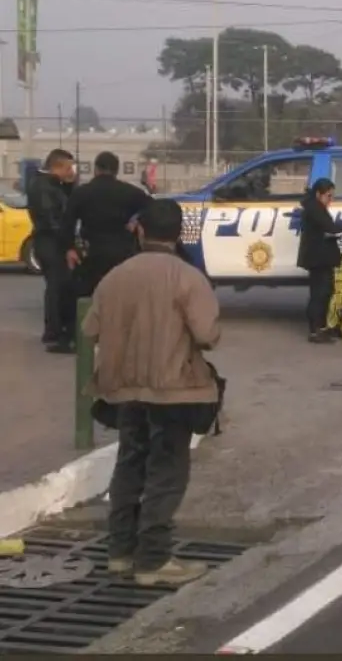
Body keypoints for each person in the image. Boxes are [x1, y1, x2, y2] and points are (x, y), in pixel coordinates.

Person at [82, 199, 221, 586]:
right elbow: (208, 336)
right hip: (174, 391)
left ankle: (120, 552)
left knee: (129, 463)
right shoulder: (189, 278)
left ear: (141, 231)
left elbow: (89, 329)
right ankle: (154, 561)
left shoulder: (114, 277)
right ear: (179, 234)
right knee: (167, 470)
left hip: (124, 390)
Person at [62, 151, 154, 298]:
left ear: (96, 169)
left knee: (91, 294)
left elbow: (67, 223)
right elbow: (153, 208)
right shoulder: (129, 192)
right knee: (121, 293)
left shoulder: (81, 193)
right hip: (122, 250)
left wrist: (70, 248)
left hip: (92, 251)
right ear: (116, 170)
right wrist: (137, 220)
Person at [297, 178, 342, 344]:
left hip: (320, 257)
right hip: (318, 258)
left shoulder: (315, 207)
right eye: (328, 196)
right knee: (319, 294)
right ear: (319, 194)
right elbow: (330, 228)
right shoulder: (315, 209)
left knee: (323, 292)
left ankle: (321, 328)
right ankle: (316, 330)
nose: (331, 200)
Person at [27, 149, 77, 353]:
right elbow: (51, 220)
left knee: (58, 285)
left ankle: (55, 328)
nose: (70, 171)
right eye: (68, 168)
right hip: (50, 242)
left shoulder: (53, 185)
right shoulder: (43, 187)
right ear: (56, 167)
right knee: (57, 286)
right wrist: (68, 244)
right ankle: (55, 331)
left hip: (52, 241)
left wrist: (71, 184)